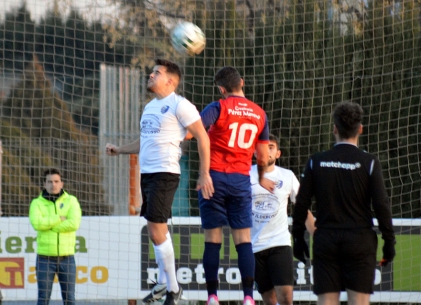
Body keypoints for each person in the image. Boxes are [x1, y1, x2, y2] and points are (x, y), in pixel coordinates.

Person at [105, 59, 214, 305]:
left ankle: (173, 289)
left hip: (166, 173)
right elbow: (144, 141)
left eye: (157, 73)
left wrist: (204, 172)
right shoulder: (150, 107)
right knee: (158, 232)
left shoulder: (180, 105)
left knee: (155, 230)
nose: (151, 75)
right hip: (149, 174)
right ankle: (166, 283)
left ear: (170, 81)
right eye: (152, 71)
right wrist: (120, 150)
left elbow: (202, 138)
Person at [292, 102, 396, 305]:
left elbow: (301, 203)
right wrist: (389, 242)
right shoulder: (369, 162)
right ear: (360, 129)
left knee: (326, 301)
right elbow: (382, 205)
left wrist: (298, 238)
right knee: (358, 301)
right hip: (360, 241)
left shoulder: (317, 161)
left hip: (326, 240)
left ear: (334, 129)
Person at [197, 66, 275, 305]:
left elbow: (195, 133)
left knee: (213, 239)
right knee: (243, 240)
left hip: (214, 179)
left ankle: (212, 297)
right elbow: (262, 156)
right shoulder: (259, 113)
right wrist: (261, 177)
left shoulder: (218, 107)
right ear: (242, 82)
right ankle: (249, 298)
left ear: (221, 89)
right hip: (241, 181)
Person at [250, 134, 315, 305]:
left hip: (280, 243)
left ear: (278, 153)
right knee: (270, 301)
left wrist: (316, 232)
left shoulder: (287, 176)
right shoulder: (245, 175)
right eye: (263, 147)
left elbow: (302, 209)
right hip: (254, 247)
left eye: (271, 147)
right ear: (255, 152)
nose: (267, 151)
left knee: (286, 298)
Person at [29, 168, 82, 305]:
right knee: (43, 298)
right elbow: (37, 224)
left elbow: (74, 223)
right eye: (50, 181)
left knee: (69, 299)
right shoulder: (37, 203)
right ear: (44, 184)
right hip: (44, 259)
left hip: (67, 258)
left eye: (56, 181)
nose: (53, 184)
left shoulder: (71, 201)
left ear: (62, 183)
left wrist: (50, 226)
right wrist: (59, 218)